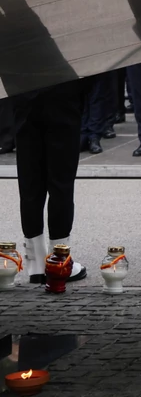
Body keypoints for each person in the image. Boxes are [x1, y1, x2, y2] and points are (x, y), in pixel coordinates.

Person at [14, 78, 90, 284]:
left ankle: (35, 263)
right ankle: (59, 259)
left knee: (30, 185)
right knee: (61, 184)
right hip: (62, 93)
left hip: (25, 93)